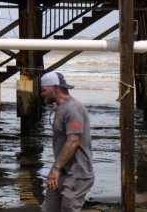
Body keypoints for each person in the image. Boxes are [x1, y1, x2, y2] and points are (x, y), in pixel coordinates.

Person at [40, 71, 94, 212]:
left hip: (77, 173)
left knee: (68, 209)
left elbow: (73, 141)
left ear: (56, 87)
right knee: (48, 208)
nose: (42, 93)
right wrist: (56, 169)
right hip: (61, 171)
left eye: (44, 90)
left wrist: (55, 169)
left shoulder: (72, 108)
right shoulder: (60, 108)